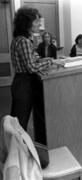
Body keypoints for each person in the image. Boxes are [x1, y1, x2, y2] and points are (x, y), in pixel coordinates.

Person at [10, 7, 52, 145]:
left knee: (19, 121)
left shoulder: (22, 39)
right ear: (26, 23)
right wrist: (49, 62)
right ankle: (16, 155)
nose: (39, 24)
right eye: (36, 21)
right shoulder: (23, 41)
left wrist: (47, 61)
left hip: (23, 82)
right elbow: (31, 67)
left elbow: (34, 60)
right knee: (19, 123)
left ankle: (18, 152)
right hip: (24, 83)